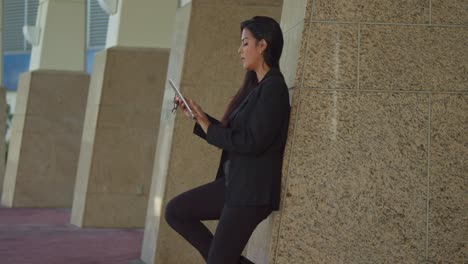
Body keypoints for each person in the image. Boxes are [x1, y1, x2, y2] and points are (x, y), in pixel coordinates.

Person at [165, 16, 290, 264]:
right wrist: (200, 118)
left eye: (245, 43)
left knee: (219, 260)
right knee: (175, 212)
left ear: (263, 45)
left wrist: (208, 126)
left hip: (251, 192)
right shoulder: (256, 87)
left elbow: (252, 142)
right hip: (234, 185)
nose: (240, 50)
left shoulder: (274, 88)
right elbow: (235, 134)